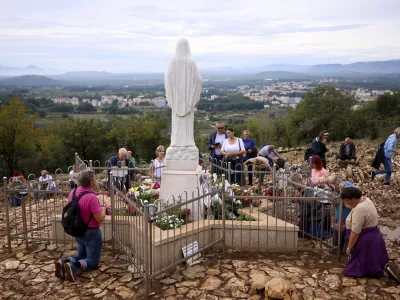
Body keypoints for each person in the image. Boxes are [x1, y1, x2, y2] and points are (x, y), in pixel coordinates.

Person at [55, 169, 106, 282]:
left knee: (82, 255)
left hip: (77, 230)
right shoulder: (92, 198)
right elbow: (99, 219)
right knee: (93, 261)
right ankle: (74, 266)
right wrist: (104, 210)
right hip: (91, 232)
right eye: (94, 179)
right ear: (91, 182)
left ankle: (63, 262)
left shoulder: (73, 193)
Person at [340, 186, 389, 278]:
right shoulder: (366, 200)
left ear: (354, 199)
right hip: (373, 235)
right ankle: (376, 269)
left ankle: (371, 272)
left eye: (347, 200)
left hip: (365, 239)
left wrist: (349, 248)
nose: (346, 203)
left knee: (357, 265)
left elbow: (355, 232)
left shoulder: (360, 208)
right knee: (372, 258)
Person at [326, 175, 355, 252]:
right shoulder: (334, 191)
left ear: (336, 185)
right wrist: (334, 222)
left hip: (349, 224)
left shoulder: (351, 188)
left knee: (346, 249)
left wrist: (342, 196)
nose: (329, 188)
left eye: (330, 186)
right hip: (338, 223)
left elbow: (352, 206)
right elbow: (333, 205)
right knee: (335, 247)